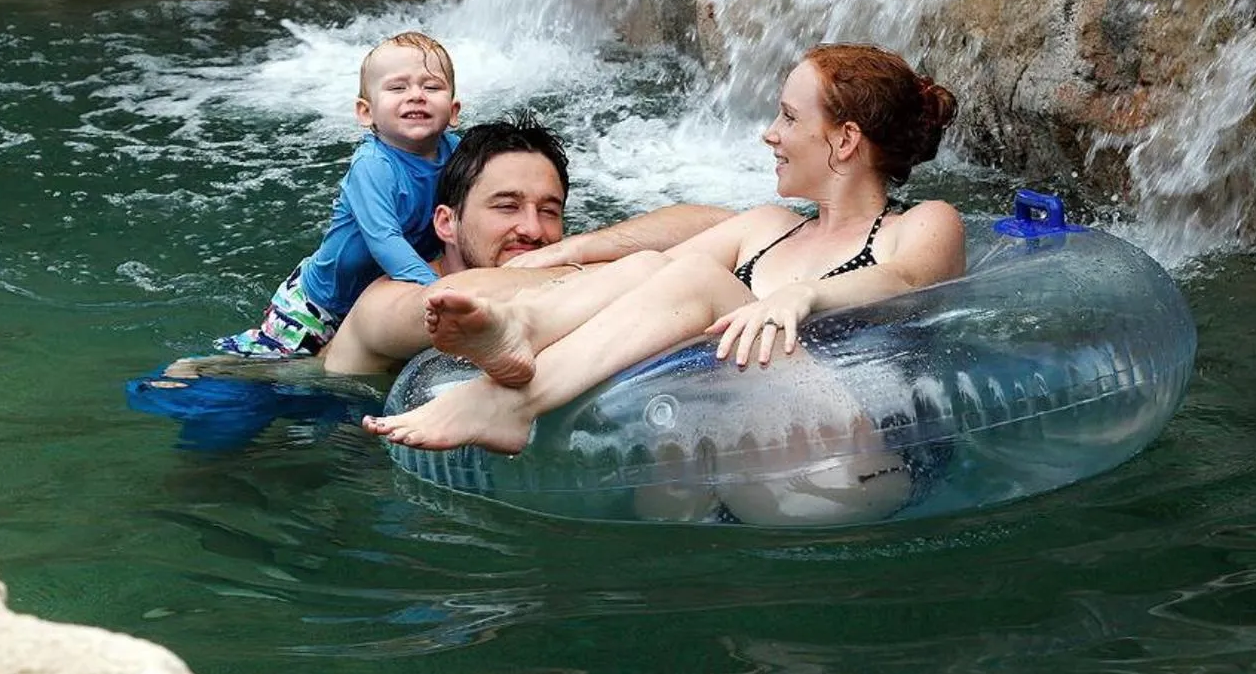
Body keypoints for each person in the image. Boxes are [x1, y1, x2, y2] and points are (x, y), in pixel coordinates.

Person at [361, 43, 964, 456]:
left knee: (698, 280)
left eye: (786, 116)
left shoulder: (920, 225)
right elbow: (645, 274)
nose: (770, 134)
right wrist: (548, 258)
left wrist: (805, 295)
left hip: (860, 452)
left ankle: (509, 406)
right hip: (735, 450)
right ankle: (523, 327)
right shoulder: (766, 227)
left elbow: (908, 281)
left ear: (845, 139)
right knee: (657, 268)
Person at [316, 122, 731, 375]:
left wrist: (588, 246)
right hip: (309, 430)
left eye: (549, 211)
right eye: (507, 206)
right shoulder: (386, 301)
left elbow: (730, 223)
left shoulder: (558, 258)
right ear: (447, 223)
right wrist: (637, 269)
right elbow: (458, 299)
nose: (532, 228)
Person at [215, 31, 461, 358]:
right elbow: (385, 239)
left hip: (379, 294)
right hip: (321, 302)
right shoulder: (373, 166)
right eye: (398, 87)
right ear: (365, 112)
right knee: (272, 367)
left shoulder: (459, 153)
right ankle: (198, 371)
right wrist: (438, 289)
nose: (416, 95)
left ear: (454, 110)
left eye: (431, 87)